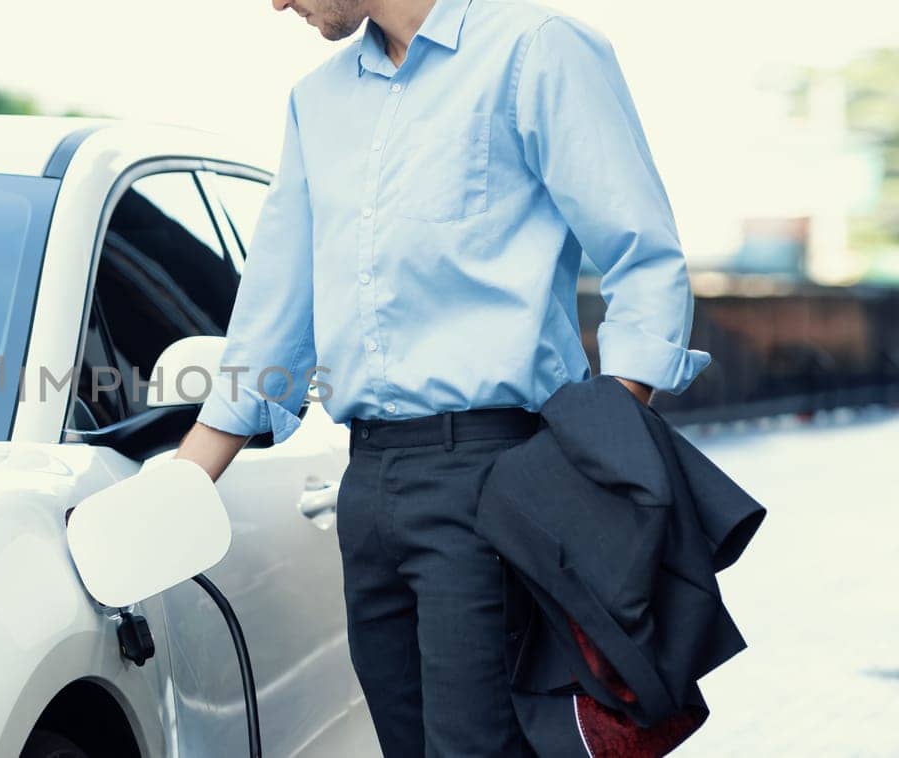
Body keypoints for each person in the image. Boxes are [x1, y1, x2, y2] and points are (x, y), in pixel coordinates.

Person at [172, 0, 712, 755]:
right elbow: (274, 312)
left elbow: (643, 259)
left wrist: (596, 457)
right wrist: (174, 489)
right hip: (367, 487)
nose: (275, 2)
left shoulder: (538, 50)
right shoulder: (316, 102)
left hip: (500, 471)